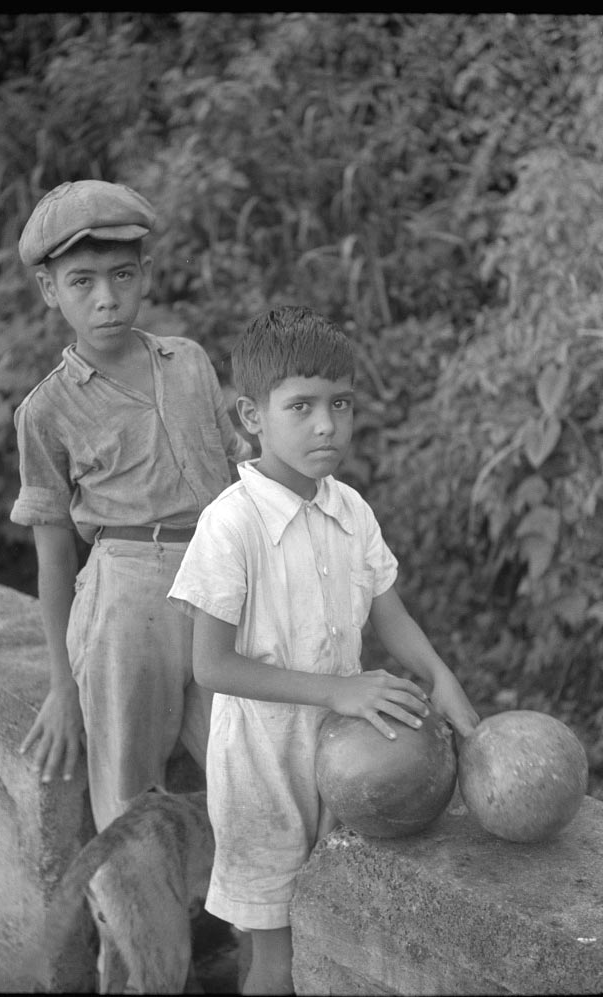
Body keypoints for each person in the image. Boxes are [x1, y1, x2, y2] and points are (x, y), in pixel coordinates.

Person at [168, 305, 480, 995]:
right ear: (251, 416)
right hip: (263, 768)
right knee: (278, 960)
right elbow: (210, 666)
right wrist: (339, 689)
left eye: (340, 403)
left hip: (347, 758)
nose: (326, 424)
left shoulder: (351, 508)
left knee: (325, 932)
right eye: (301, 405)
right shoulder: (232, 523)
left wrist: (440, 675)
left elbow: (388, 612)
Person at [10, 179, 251, 833]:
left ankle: (246, 925)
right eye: (82, 281)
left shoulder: (190, 362)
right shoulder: (46, 410)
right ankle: (135, 938)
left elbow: (238, 475)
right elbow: (54, 558)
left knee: (252, 769)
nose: (107, 298)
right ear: (50, 290)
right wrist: (63, 686)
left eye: (121, 274)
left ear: (145, 273)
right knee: (129, 797)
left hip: (217, 583)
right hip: (124, 594)